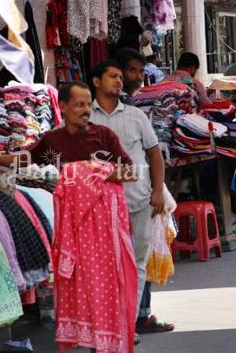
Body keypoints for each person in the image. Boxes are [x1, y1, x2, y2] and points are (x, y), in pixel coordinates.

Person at [87, 60, 173, 337]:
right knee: (106, 267)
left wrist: (157, 191)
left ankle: (126, 325)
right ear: (96, 81)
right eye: (112, 76)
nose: (119, 81)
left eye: (119, 77)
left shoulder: (136, 116)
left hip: (139, 201)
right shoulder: (85, 117)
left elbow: (154, 153)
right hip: (100, 206)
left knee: (136, 266)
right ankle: (108, 324)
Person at [0, 82, 136, 181]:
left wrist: (93, 172)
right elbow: (22, 159)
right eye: (80, 105)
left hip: (102, 217)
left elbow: (131, 172)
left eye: (88, 105)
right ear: (63, 107)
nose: (86, 110)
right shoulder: (52, 139)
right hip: (70, 214)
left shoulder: (104, 135)